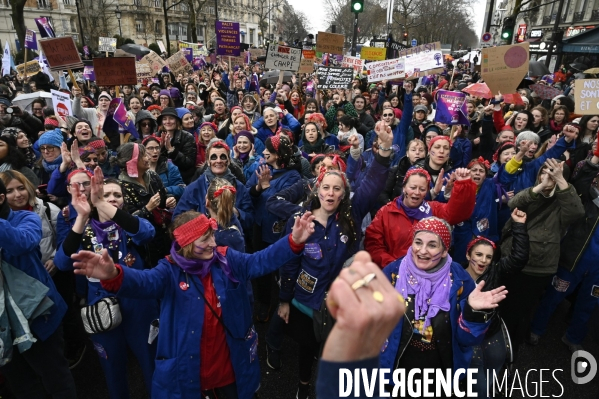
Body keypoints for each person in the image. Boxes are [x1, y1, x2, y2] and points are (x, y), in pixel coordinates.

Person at [69, 210, 317, 398]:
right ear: (186, 245)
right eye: (205, 239)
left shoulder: (227, 259)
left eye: (211, 236)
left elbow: (260, 261)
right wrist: (114, 275)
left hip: (229, 370)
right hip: (187, 374)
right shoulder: (169, 270)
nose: (213, 243)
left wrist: (293, 240)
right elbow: (144, 282)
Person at [266, 123, 394, 398]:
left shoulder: (351, 215)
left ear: (343, 192)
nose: (331, 193)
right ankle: (302, 387)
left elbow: (372, 184)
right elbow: (289, 264)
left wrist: (383, 152)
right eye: (326, 187)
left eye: (337, 189)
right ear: (317, 189)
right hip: (305, 302)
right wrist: (285, 300)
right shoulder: (301, 221)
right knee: (307, 348)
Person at [54, 168, 159, 398]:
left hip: (139, 305)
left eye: (117, 195)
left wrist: (101, 204)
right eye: (106, 194)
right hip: (101, 308)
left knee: (151, 363)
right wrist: (82, 216)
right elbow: (62, 263)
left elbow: (147, 233)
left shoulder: (131, 224)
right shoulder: (82, 228)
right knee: (112, 368)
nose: (112, 198)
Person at [379, 217, 508, 396]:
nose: (422, 251)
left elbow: (467, 340)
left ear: (445, 250)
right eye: (418, 242)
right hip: (396, 364)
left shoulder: (460, 280)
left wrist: (473, 313)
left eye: (432, 245)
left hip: (440, 370)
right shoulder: (393, 272)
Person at [499, 158, 584, 357]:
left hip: (537, 266)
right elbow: (513, 203)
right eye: (544, 171)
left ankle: (510, 352)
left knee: (520, 312)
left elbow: (577, 212)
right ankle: (495, 344)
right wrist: (541, 186)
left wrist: (560, 181)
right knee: (504, 305)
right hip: (511, 257)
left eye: (553, 172)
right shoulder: (532, 193)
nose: (548, 175)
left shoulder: (564, 201)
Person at [0, 176, 76, 399]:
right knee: (23, 386)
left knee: (55, 379)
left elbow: (22, 243)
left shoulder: (26, 218)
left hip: (39, 315)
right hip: (5, 325)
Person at [529, 145, 599, 353]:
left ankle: (574, 337)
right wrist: (595, 157)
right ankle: (536, 329)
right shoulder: (587, 199)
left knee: (588, 304)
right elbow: (583, 177)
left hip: (597, 272)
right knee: (554, 296)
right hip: (573, 260)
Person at [464, 209, 529, 396]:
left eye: (488, 257)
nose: (483, 260)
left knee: (494, 370)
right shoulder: (456, 275)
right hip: (468, 337)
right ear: (469, 256)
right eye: (478, 255)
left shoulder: (496, 272)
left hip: (491, 331)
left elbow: (519, 258)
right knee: (481, 388)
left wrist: (519, 225)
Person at [365, 167, 476, 268]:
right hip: (395, 273)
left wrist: (463, 184)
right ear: (404, 188)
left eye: (422, 189)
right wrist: (396, 266)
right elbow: (373, 245)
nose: (417, 192)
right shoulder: (386, 212)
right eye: (413, 187)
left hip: (428, 273)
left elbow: (458, 213)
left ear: (427, 192)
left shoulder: (434, 209)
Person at [116, 143, 177, 267]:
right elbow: (127, 221)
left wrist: (170, 200)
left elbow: (164, 195)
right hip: (144, 245)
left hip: (163, 235)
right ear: (132, 161)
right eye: (143, 155)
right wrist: (147, 209)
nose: (148, 157)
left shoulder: (153, 176)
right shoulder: (121, 187)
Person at [156, 107, 197, 184]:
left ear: (177, 121)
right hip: (161, 180)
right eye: (164, 119)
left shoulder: (187, 137)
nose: (168, 122)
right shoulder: (155, 137)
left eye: (171, 118)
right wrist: (160, 148)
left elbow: (189, 163)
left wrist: (172, 150)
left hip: (182, 180)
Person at [143, 135, 186, 200]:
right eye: (150, 148)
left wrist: (165, 190)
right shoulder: (139, 168)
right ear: (143, 150)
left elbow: (181, 188)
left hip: (166, 204)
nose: (155, 151)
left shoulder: (169, 166)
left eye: (157, 148)